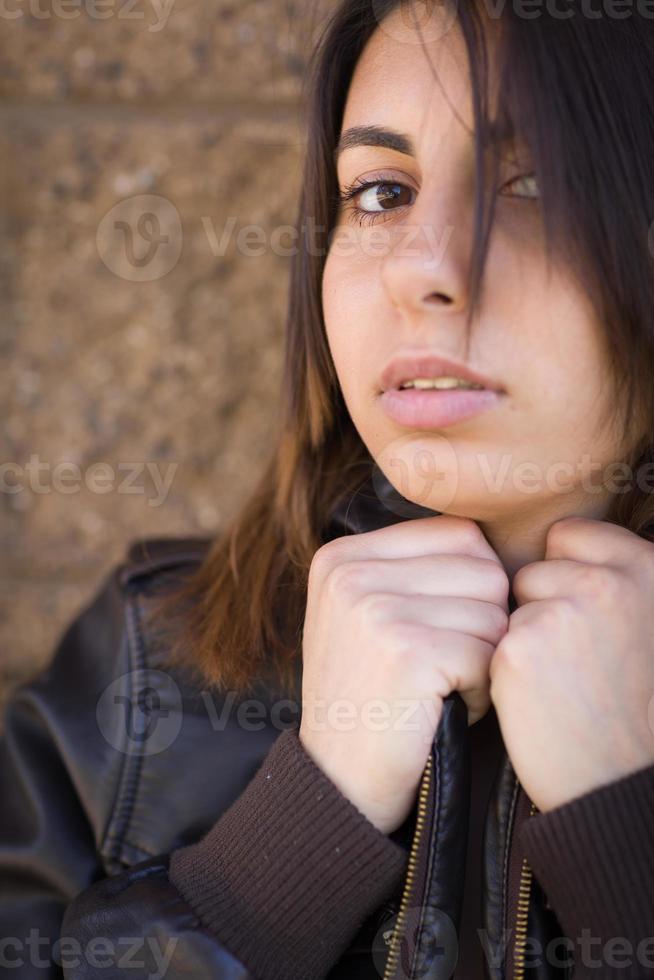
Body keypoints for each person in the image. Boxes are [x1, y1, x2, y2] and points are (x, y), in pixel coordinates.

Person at [2, 0, 654, 977]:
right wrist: (289, 843)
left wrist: (625, 843)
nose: (424, 267)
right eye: (382, 192)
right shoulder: (146, 665)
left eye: (535, 182)